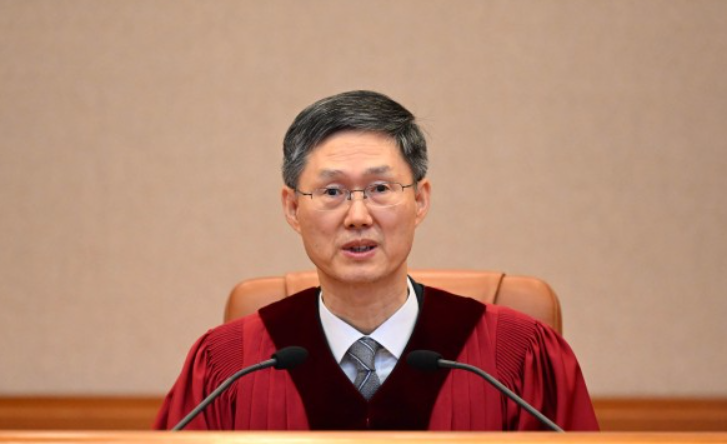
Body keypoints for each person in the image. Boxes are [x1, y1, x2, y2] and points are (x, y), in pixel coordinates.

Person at [154, 90, 599, 431]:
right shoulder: (228, 365)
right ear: (292, 208)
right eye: (332, 192)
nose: (358, 216)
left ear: (420, 201)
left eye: (380, 189)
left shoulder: (516, 357)